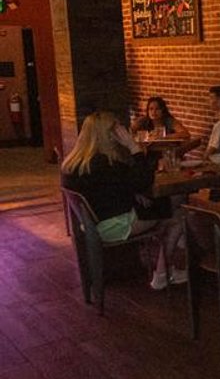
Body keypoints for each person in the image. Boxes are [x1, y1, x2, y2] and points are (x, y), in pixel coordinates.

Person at [61, 111, 186, 290]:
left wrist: (133, 193)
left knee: (167, 206)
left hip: (91, 225)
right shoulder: (105, 163)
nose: (121, 131)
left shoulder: (72, 164)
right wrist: (133, 147)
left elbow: (110, 188)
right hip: (115, 225)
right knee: (179, 215)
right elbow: (144, 181)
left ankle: (172, 255)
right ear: (108, 134)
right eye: (117, 128)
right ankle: (162, 274)